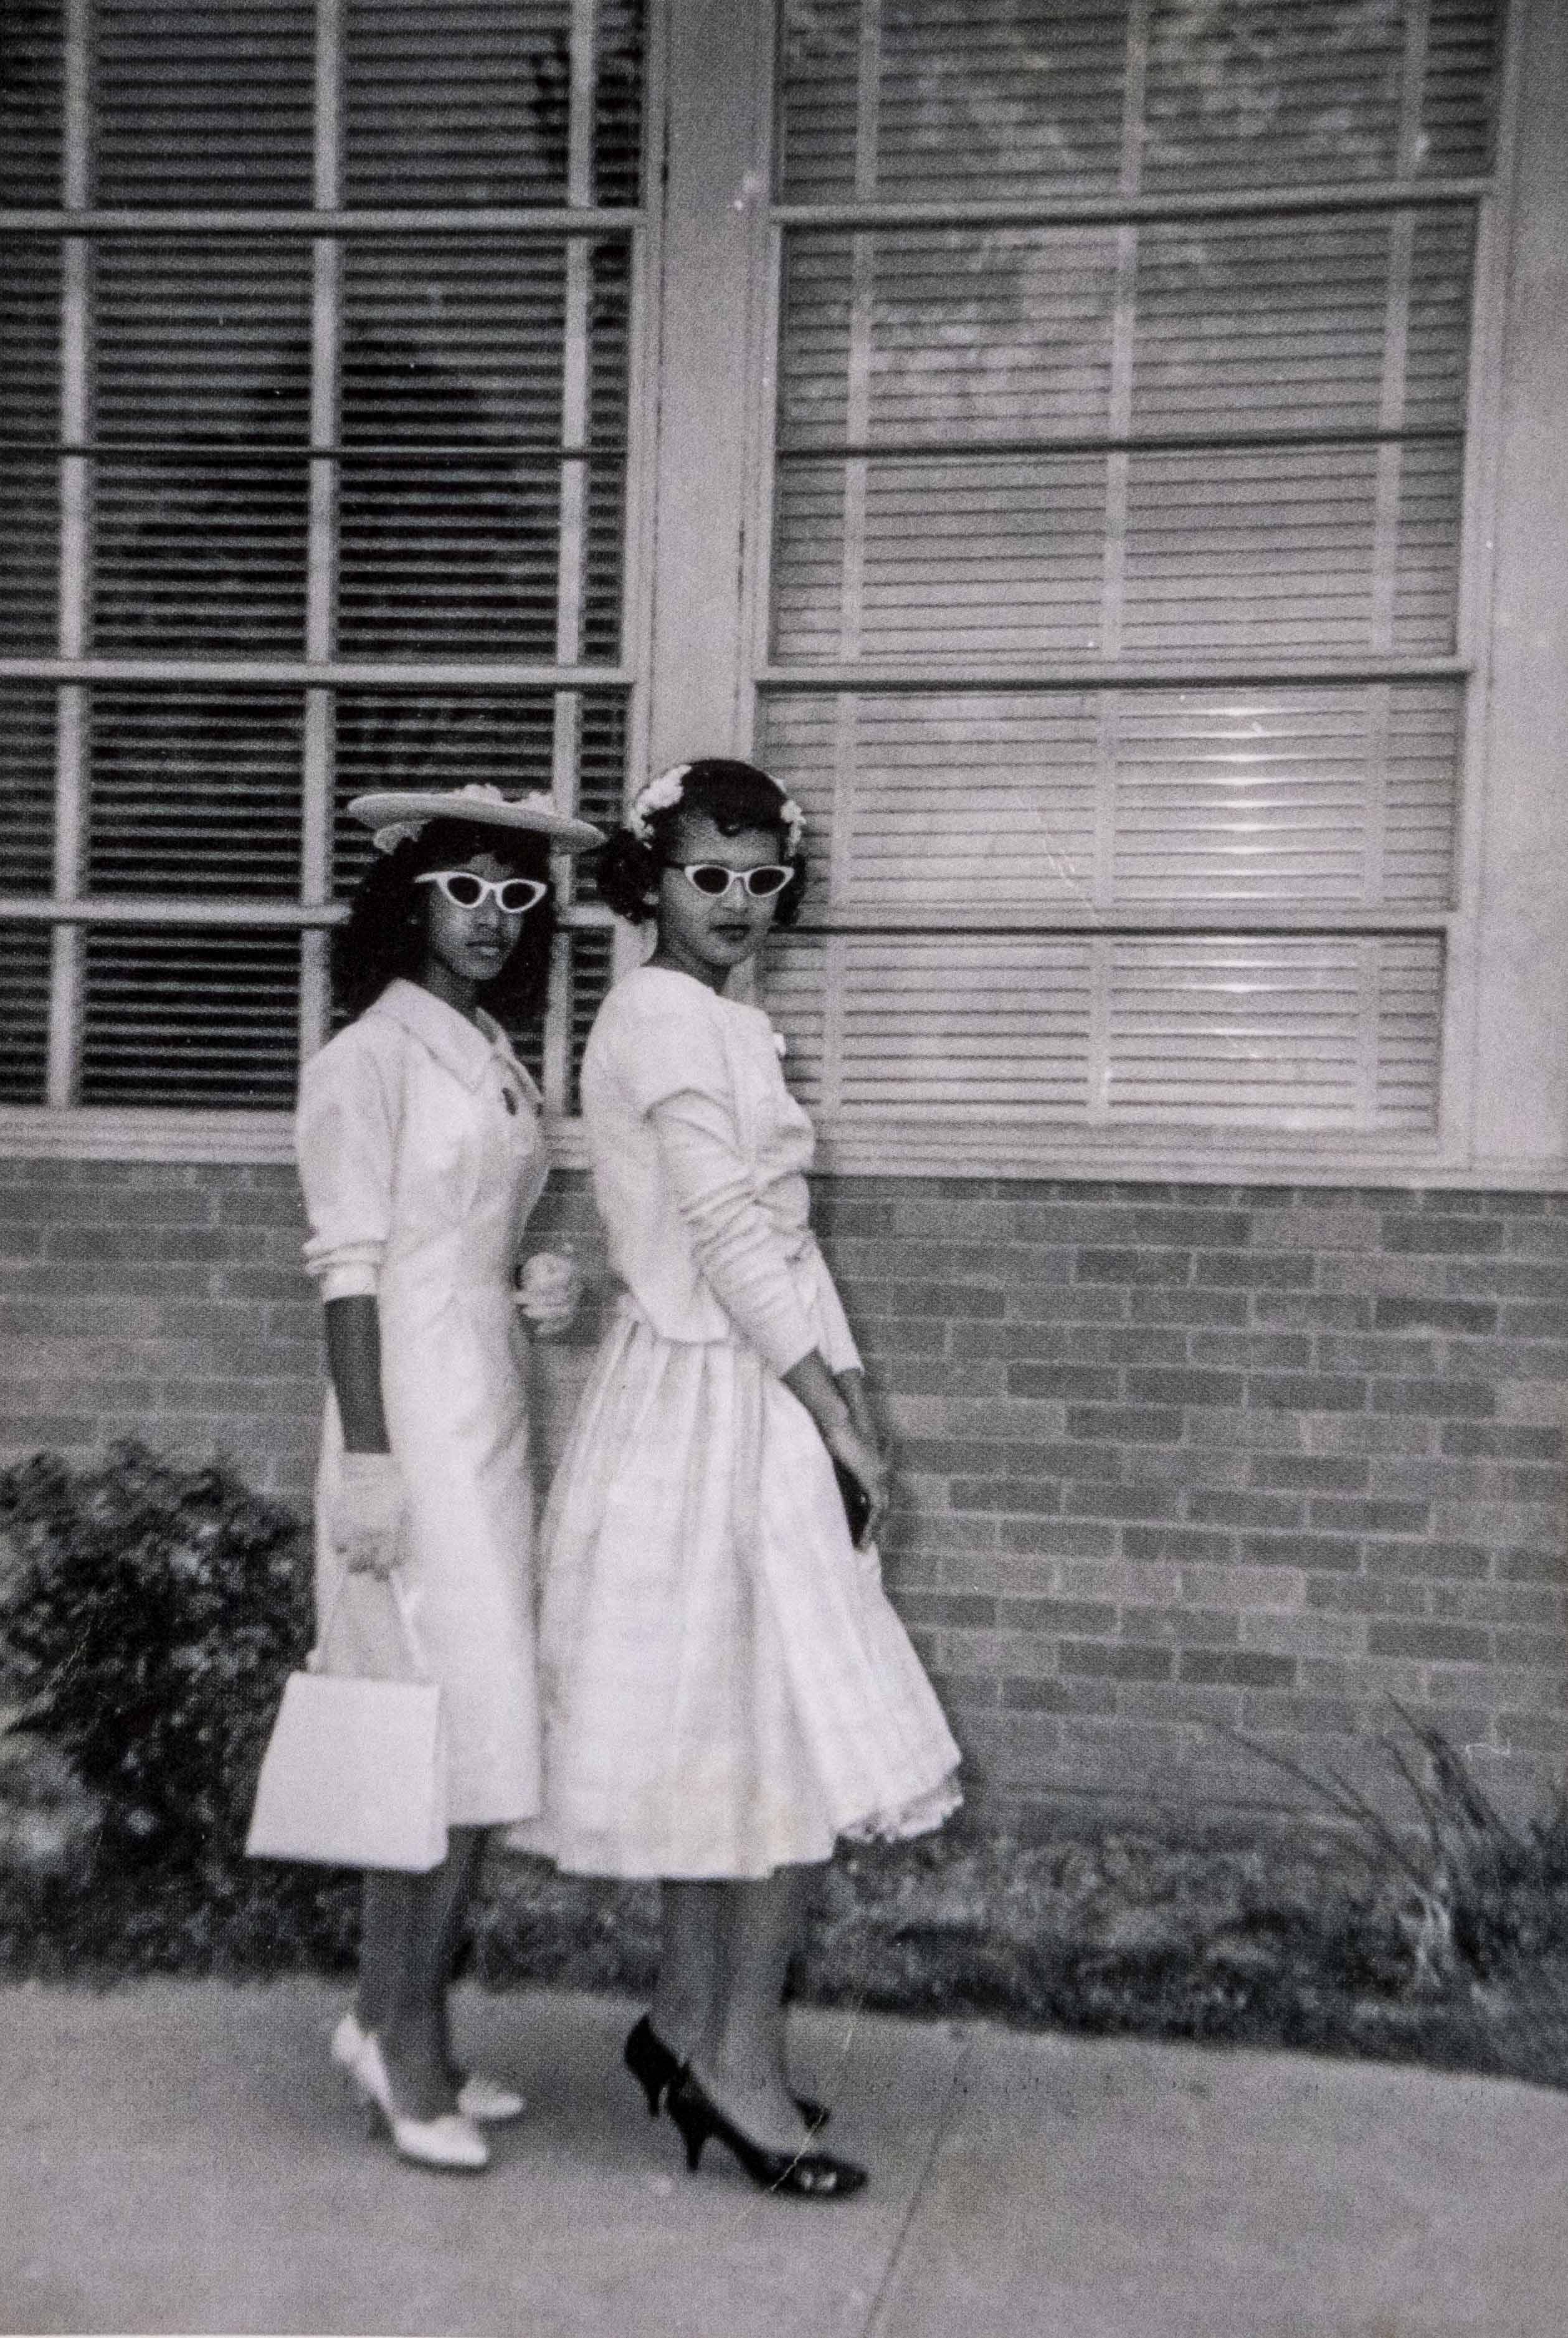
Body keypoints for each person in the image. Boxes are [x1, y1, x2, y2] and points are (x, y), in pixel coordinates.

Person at [526, 758, 961, 2200]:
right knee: (770, 1746)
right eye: (707, 872)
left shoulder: (704, 1017)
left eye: (761, 877)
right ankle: (740, 2070)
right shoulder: (663, 1017)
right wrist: (834, 1409)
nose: (735, 902)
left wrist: (825, 1388)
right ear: (649, 876)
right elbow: (726, 1232)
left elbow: (759, 1238)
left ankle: (687, 2022)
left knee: (728, 1728)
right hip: (724, 1391)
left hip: (719, 1386)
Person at [295, 780, 602, 2173]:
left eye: (515, 894)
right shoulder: (369, 1057)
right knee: (422, 1734)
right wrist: (366, 1452)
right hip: (405, 1412)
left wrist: (534, 1279)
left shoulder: (480, 1046)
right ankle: (399, 2048)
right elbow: (349, 1271)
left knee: (476, 1723)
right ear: (408, 896)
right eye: (464, 887)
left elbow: (470, 1222)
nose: (490, 917)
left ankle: (395, 2017)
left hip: (486, 1398)